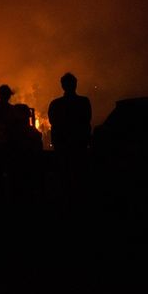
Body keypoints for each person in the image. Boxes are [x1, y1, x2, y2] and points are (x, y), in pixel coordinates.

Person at [47, 72, 92, 211]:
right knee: (79, 178)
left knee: (64, 178)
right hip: (79, 146)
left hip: (63, 147)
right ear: (75, 84)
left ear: (62, 86)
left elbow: (52, 122)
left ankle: (65, 206)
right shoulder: (84, 102)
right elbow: (87, 121)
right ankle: (80, 205)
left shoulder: (56, 104)